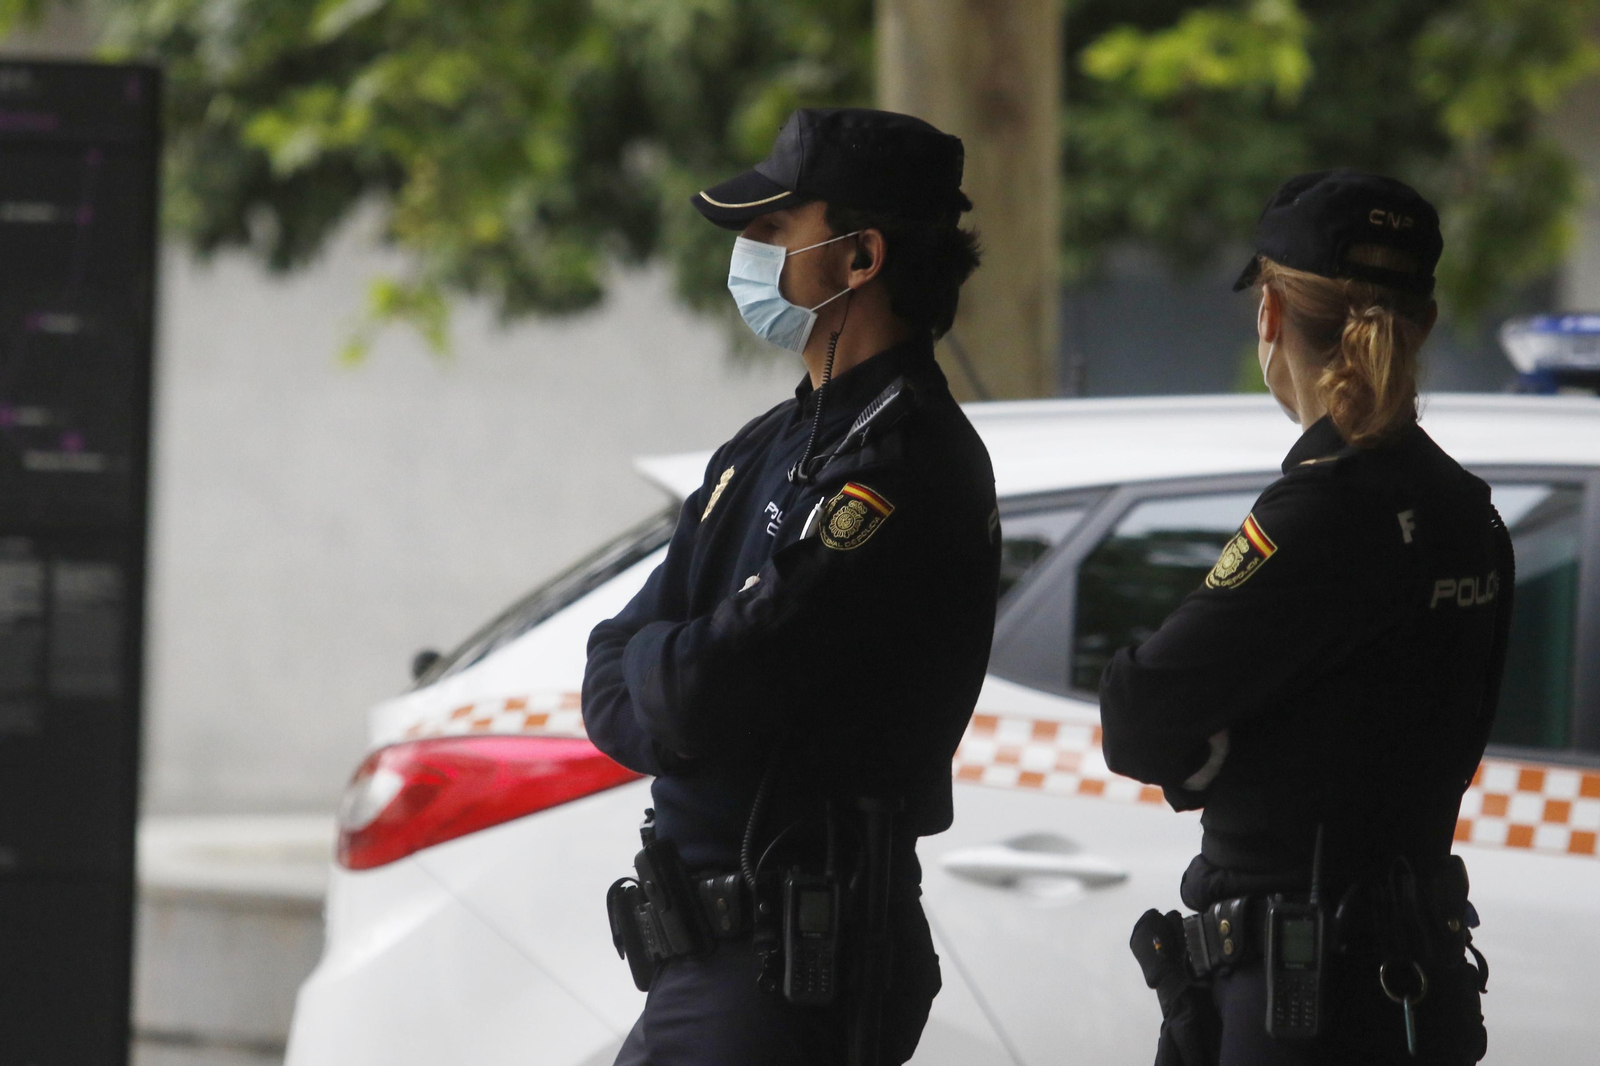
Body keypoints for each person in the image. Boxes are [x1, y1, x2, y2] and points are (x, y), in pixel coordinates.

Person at [581, 107, 1001, 1066]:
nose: (748, 252)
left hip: (790, 963)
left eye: (775, 229)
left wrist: (672, 681)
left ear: (859, 258)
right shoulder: (768, 443)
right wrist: (671, 679)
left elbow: (704, 688)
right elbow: (615, 658)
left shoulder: (902, 463)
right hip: (708, 962)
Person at [1099, 170, 1513, 1066]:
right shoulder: (1468, 513)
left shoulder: (1323, 512)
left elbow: (1137, 717)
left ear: (1272, 313)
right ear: (1425, 324)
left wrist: (1225, 746)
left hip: (1300, 1001)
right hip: (1416, 982)